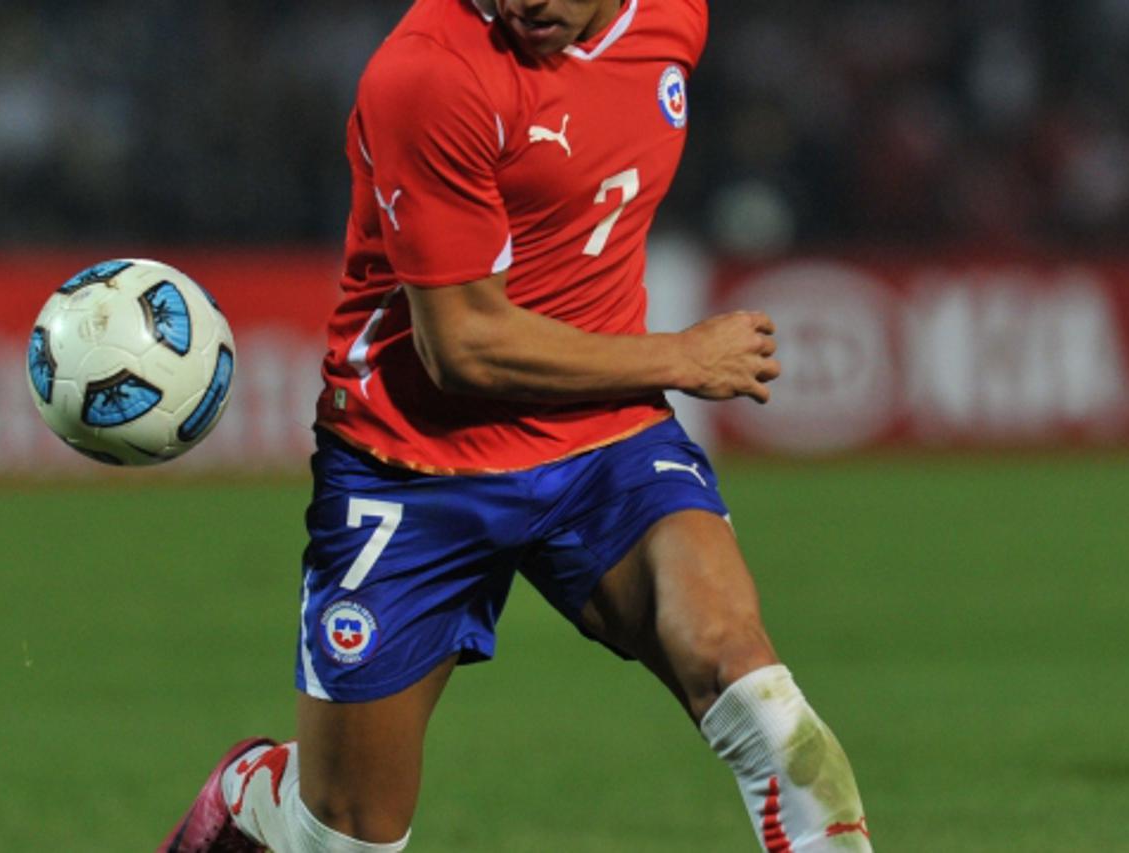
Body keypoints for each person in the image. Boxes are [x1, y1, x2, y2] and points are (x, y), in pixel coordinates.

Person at [158, 0, 872, 850]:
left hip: (603, 442)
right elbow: (463, 347)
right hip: (412, 466)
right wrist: (678, 357)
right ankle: (254, 790)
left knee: (754, 692)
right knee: (343, 837)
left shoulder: (675, 17)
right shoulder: (430, 72)